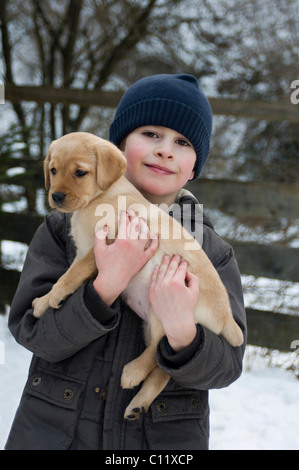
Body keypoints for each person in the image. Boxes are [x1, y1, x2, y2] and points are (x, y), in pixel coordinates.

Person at [5, 74, 246, 450]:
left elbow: (227, 366)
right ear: (114, 150)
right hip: (57, 437)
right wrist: (105, 285)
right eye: (150, 134)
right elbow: (35, 334)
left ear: (194, 167)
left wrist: (183, 331)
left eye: (182, 143)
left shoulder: (212, 252)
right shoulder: (59, 231)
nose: (165, 150)